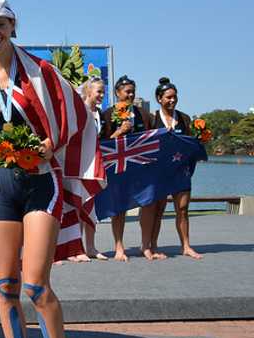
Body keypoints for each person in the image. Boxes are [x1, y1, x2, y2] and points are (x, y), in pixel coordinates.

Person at [0, 0, 103, 338]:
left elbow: (77, 114)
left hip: (41, 180)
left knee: (35, 286)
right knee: (6, 286)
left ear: (13, 27)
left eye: (0, 25)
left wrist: (50, 143)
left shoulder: (41, 71)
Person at [145, 77, 202, 259]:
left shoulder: (184, 119)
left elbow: (191, 144)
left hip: (180, 171)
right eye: (168, 97)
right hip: (159, 172)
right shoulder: (152, 119)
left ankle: (186, 246)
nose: (172, 100)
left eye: (175, 97)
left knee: (183, 208)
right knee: (158, 209)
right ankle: (152, 245)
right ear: (159, 99)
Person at [101, 75, 151, 261]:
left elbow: (152, 139)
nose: (130, 95)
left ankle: (145, 245)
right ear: (117, 93)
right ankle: (119, 247)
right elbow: (101, 144)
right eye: (127, 91)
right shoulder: (106, 115)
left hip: (139, 167)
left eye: (133, 91)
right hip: (117, 168)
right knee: (119, 207)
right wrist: (119, 131)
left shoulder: (143, 115)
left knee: (147, 202)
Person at [68, 77, 108, 261]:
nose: (101, 95)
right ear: (89, 91)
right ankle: (75, 248)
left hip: (93, 167)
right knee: (76, 206)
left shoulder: (101, 114)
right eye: (99, 91)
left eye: (103, 91)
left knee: (90, 207)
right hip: (77, 166)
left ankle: (90, 247)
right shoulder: (78, 110)